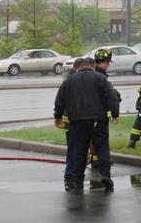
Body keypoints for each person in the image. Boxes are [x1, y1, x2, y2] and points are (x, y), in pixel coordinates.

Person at [54, 57, 120, 192]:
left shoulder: (70, 80)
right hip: (98, 120)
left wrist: (58, 116)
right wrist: (115, 113)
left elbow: (60, 98)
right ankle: (106, 177)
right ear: (93, 67)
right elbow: (112, 96)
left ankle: (78, 181)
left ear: (80, 67)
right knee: (102, 148)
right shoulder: (100, 78)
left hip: (77, 121)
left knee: (80, 151)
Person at [56, 57, 86, 191]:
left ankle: (71, 174)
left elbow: (59, 99)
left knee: (72, 146)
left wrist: (58, 114)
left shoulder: (68, 78)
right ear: (80, 67)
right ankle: (71, 175)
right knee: (75, 148)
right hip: (75, 118)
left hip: (69, 117)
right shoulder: (74, 79)